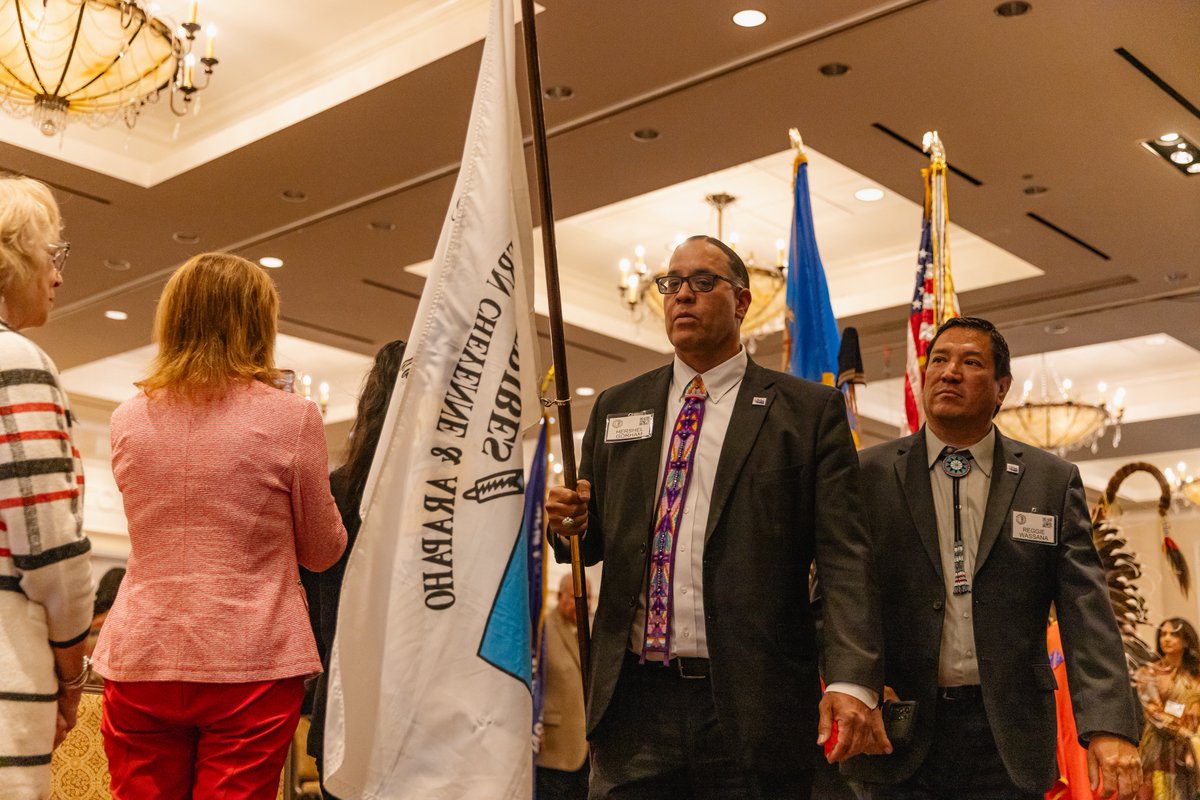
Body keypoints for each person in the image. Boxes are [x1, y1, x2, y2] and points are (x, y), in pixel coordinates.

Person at [545, 235, 888, 799]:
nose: (683, 295)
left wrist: (852, 677)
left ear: (743, 301)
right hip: (633, 703)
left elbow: (845, 558)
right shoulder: (617, 406)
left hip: (752, 704)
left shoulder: (804, 412)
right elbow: (597, 535)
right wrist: (571, 524)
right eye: (671, 283)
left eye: (703, 282)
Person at [845, 316, 1142, 800]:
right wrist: (860, 683)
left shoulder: (1048, 480)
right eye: (938, 359)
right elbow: (835, 598)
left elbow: (1086, 610)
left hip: (1010, 738)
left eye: (970, 362)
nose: (949, 372)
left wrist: (1110, 724)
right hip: (897, 728)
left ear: (1001, 387)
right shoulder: (867, 475)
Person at [92, 252, 347, 799]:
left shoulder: (126, 419)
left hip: (142, 652)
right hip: (250, 656)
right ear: (258, 322)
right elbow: (323, 551)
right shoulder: (294, 418)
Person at [0, 175, 94, 799]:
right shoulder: (18, 362)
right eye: (51, 255)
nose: (58, 276)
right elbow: (50, 545)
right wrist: (71, 671)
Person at [304, 338, 406, 799]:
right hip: (414, 700)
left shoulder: (335, 493)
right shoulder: (443, 503)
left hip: (341, 702)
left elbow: (310, 601)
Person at [536, 573, 593, 800]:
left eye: (589, 598)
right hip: (553, 751)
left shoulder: (593, 631)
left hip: (588, 755)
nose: (585, 603)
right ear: (560, 596)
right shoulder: (542, 629)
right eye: (577, 596)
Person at [1134, 618, 1200, 800]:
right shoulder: (1149, 673)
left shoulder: (1196, 674)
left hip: (1192, 752)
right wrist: (1183, 731)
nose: (1167, 639)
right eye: (1163, 634)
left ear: (1186, 640)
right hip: (1158, 746)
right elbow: (1153, 712)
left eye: (1174, 634)